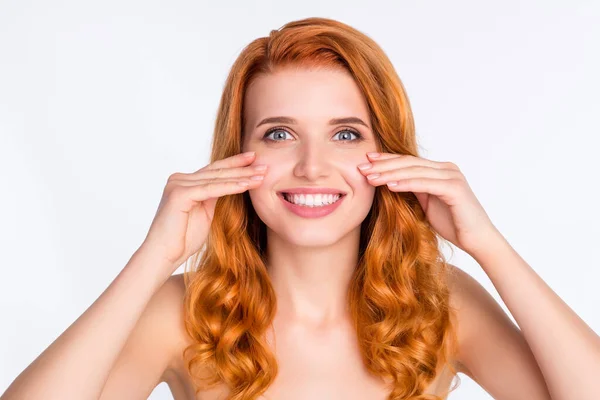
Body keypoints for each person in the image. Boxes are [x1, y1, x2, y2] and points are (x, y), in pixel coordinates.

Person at [3, 16, 599, 400]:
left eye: (345, 134)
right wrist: (154, 256)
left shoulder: (442, 304)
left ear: (387, 155)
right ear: (237, 156)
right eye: (279, 134)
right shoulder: (186, 313)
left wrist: (488, 245)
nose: (312, 168)